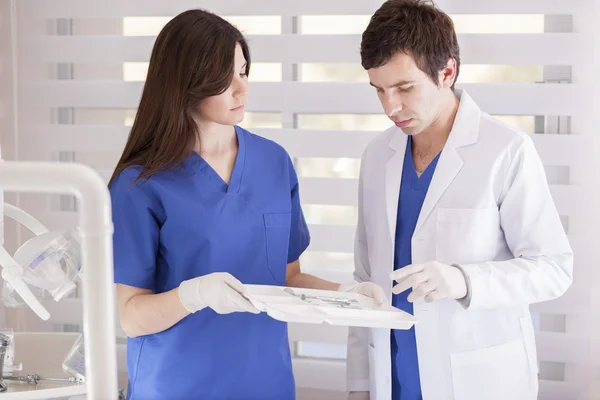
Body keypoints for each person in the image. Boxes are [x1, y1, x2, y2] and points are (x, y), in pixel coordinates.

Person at [108, 9, 386, 400]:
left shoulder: (273, 163)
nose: (242, 89)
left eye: (243, 72)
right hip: (178, 386)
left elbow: (286, 279)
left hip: (266, 383)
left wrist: (345, 293)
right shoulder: (140, 184)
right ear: (185, 83)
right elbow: (132, 316)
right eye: (225, 79)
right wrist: (195, 295)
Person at [345, 1, 574, 400]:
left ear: (446, 71)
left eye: (404, 87)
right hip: (393, 379)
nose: (390, 107)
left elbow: (552, 268)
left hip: (476, 380)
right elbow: (365, 279)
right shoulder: (378, 155)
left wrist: (465, 280)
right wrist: (359, 388)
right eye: (379, 90)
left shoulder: (506, 150)